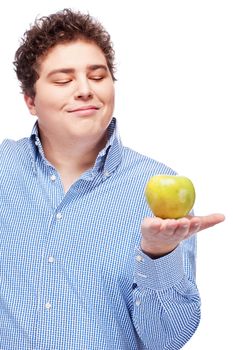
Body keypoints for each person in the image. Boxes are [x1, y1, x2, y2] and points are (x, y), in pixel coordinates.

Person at [0, 8, 225, 350]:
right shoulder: (3, 169)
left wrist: (159, 254)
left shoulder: (156, 188)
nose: (85, 90)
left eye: (98, 76)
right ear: (31, 101)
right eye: (63, 80)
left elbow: (165, 339)